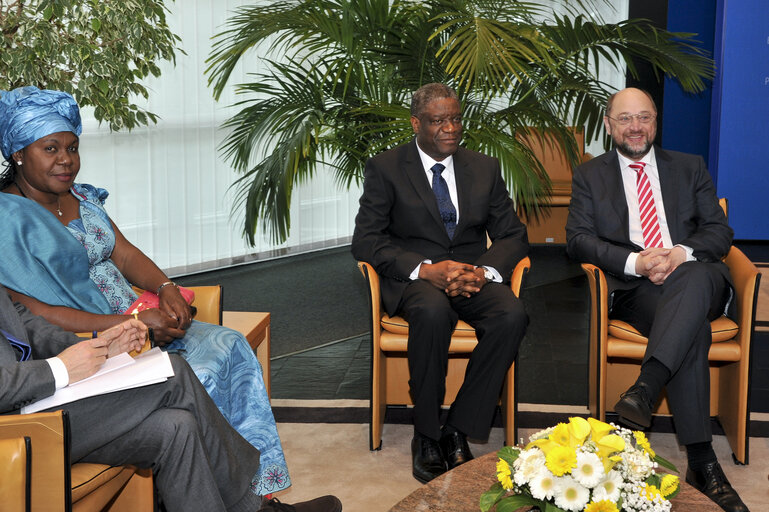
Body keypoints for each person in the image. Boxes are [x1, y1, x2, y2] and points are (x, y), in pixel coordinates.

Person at [0, 86, 289, 496]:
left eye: (72, 148)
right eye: (50, 148)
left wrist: (166, 288)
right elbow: (36, 313)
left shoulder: (79, 195)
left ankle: (256, 493)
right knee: (182, 377)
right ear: (17, 154)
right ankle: (254, 498)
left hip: (128, 322)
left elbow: (123, 253)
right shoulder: (7, 219)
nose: (65, 159)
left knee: (229, 345)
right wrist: (123, 331)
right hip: (89, 342)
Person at [565, 87, 748, 512]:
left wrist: (679, 253)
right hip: (637, 289)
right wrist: (637, 262)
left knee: (696, 274)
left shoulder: (689, 167)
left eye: (644, 117)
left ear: (655, 122)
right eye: (625, 118)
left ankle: (645, 389)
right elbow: (577, 242)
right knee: (691, 331)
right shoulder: (590, 175)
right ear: (609, 125)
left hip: (696, 277)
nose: (635, 127)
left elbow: (718, 232)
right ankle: (702, 462)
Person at [0, 287, 342, 512]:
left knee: (177, 427)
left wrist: (102, 346)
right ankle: (256, 509)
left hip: (39, 408)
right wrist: (60, 369)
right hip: (14, 433)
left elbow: (33, 329)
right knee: (173, 372)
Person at [351, 83, 529, 484]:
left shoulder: (483, 167)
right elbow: (366, 240)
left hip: (472, 275)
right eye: (438, 121)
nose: (450, 128)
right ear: (416, 123)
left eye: (455, 118)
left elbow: (513, 235)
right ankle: (427, 434)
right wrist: (424, 269)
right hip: (418, 279)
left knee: (511, 315)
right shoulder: (386, 168)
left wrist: (483, 272)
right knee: (431, 313)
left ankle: (457, 429)